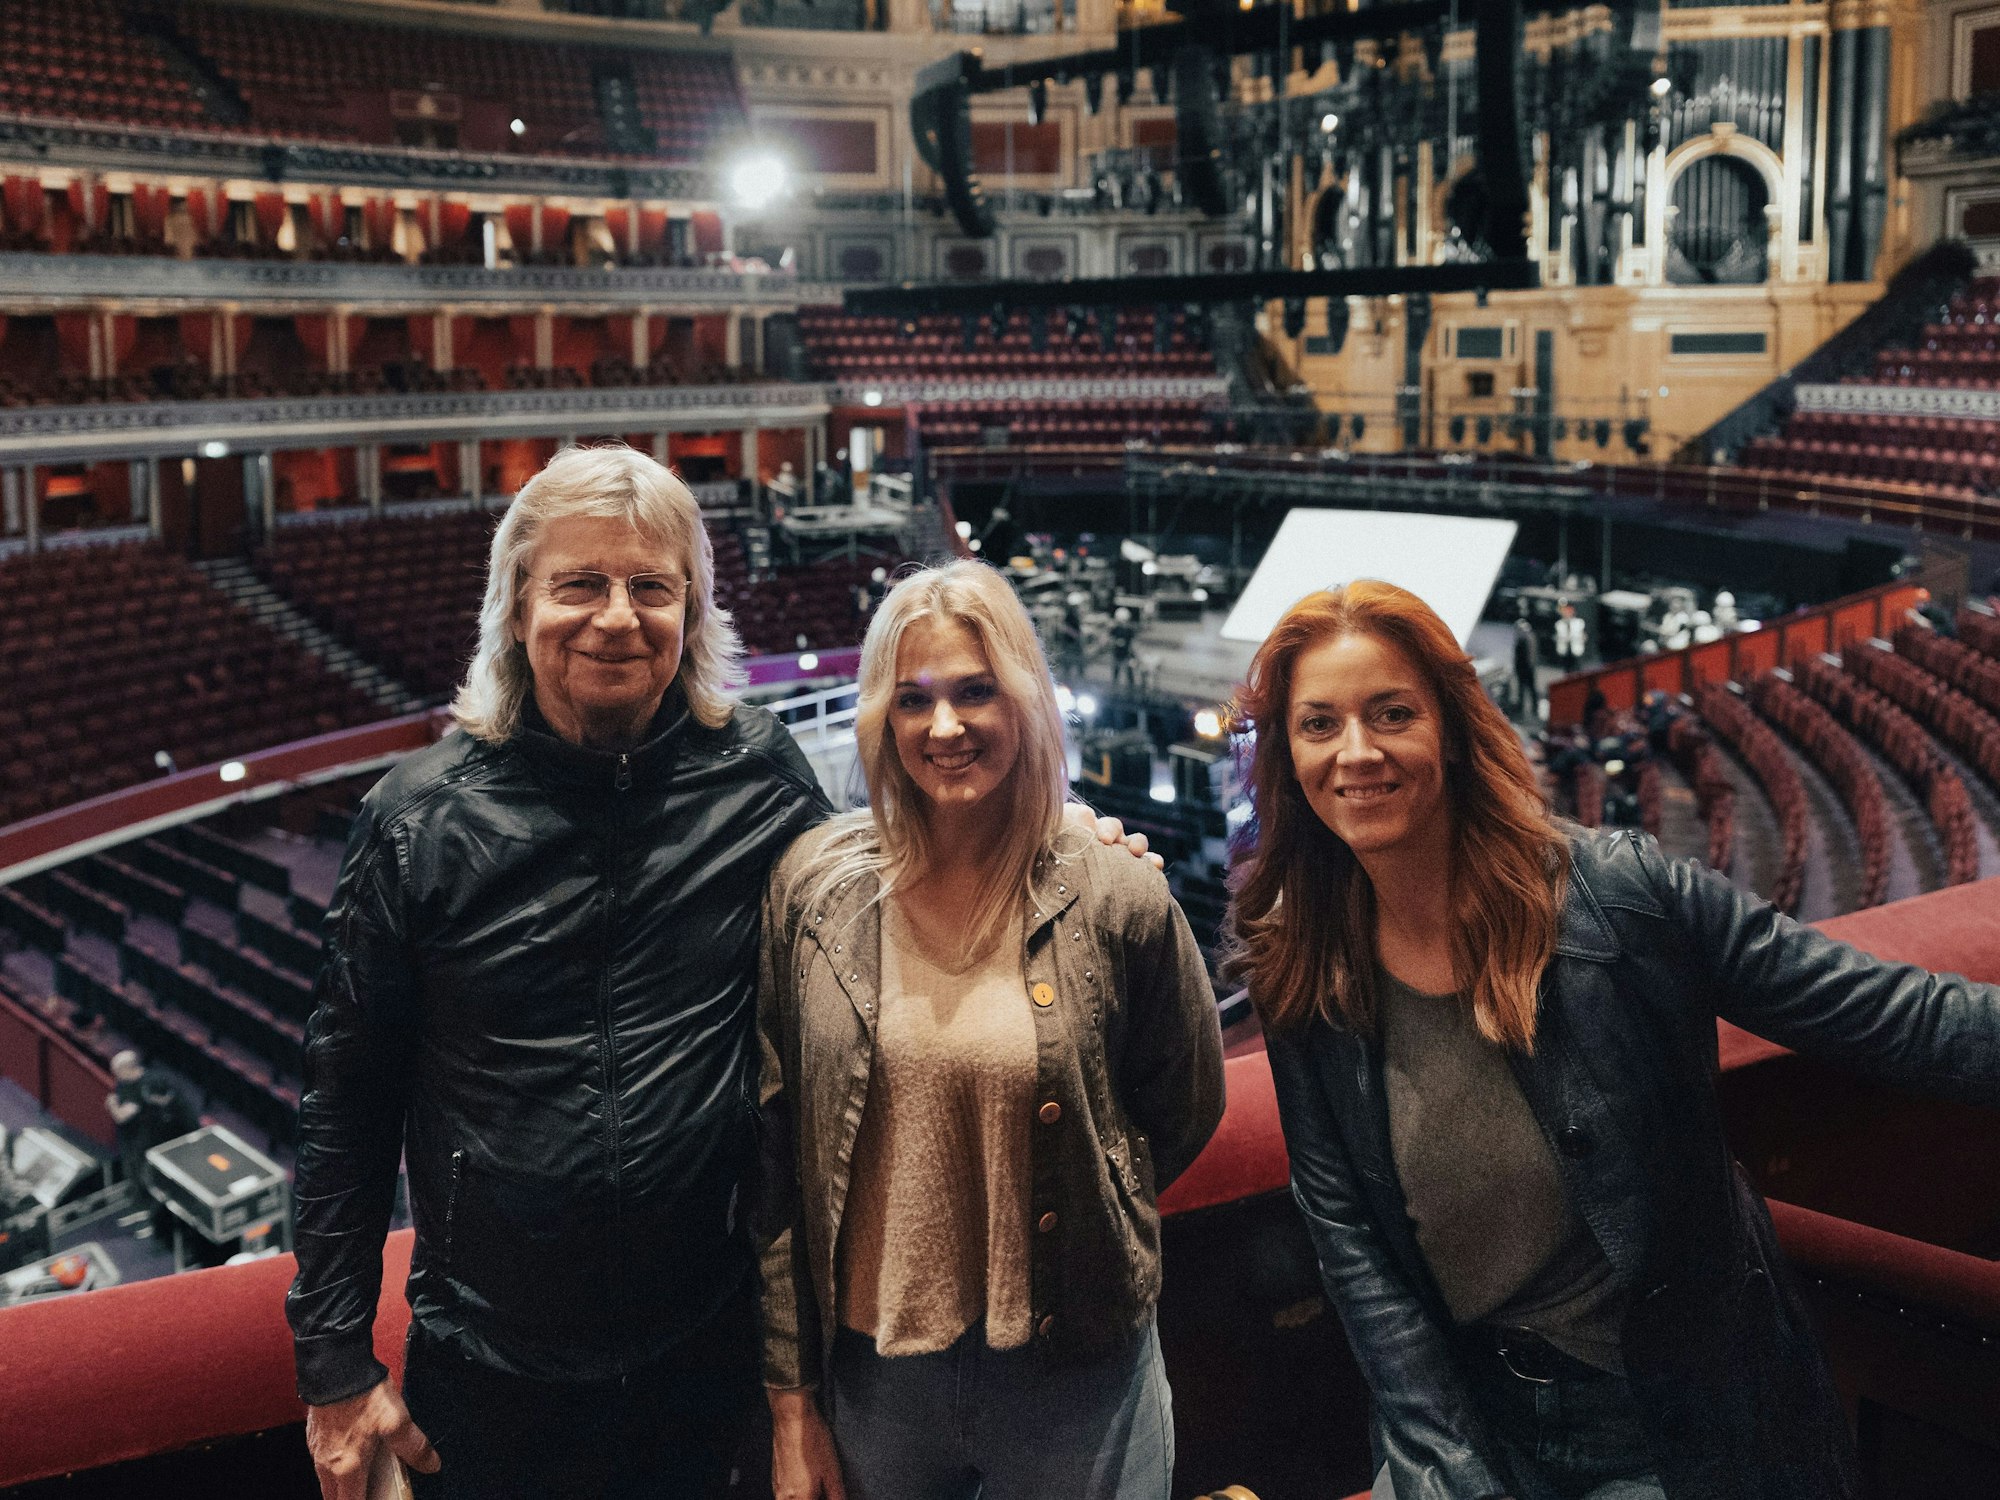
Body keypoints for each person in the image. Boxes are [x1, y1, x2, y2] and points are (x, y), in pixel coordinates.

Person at [288, 445, 1152, 1500]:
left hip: (704, 1351)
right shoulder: (414, 823)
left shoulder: (754, 775)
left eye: (653, 587)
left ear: (691, 615)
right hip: (489, 1366)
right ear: (515, 608)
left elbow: (904, 867)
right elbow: (345, 1102)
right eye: (579, 584)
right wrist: (333, 1361)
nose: (618, 616)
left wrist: (1063, 840)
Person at [1225, 581, 2000, 1500]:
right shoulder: (1299, 963)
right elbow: (1352, 1243)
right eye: (1319, 725)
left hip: (1669, 1424)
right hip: (1473, 1416)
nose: (1356, 753)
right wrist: (1448, 1468)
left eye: (1391, 713)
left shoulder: (1618, 895)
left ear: (1454, 726)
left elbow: (1901, 1016)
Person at [758, 560, 1225, 1500]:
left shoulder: (1118, 893)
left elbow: (1183, 1106)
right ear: (881, 719)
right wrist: (791, 1400)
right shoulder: (812, 889)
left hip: (1078, 1380)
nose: (945, 727)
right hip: (878, 1382)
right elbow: (777, 1159)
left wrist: (1092, 1212)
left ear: (1026, 699)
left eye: (976, 692)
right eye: (912, 700)